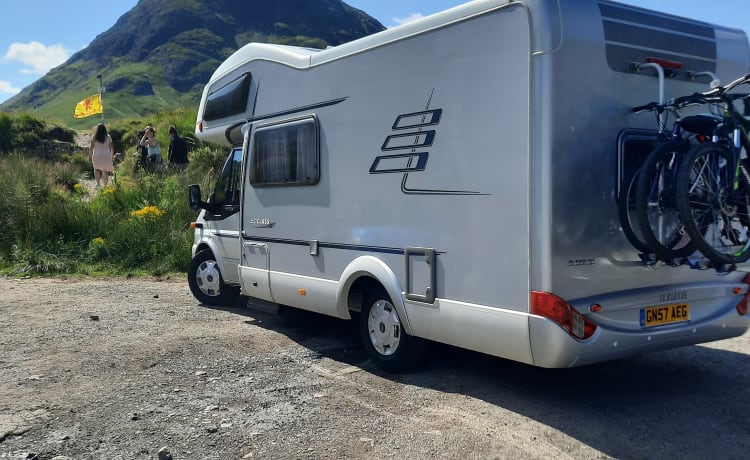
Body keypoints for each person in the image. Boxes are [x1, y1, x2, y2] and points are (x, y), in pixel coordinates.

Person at [90, 124, 115, 188]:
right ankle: (105, 185)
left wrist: (90, 155)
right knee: (104, 170)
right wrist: (112, 156)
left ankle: (98, 184)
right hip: (106, 155)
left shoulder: (94, 137)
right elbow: (112, 148)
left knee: (96, 169)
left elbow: (91, 147)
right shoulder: (108, 136)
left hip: (96, 155)